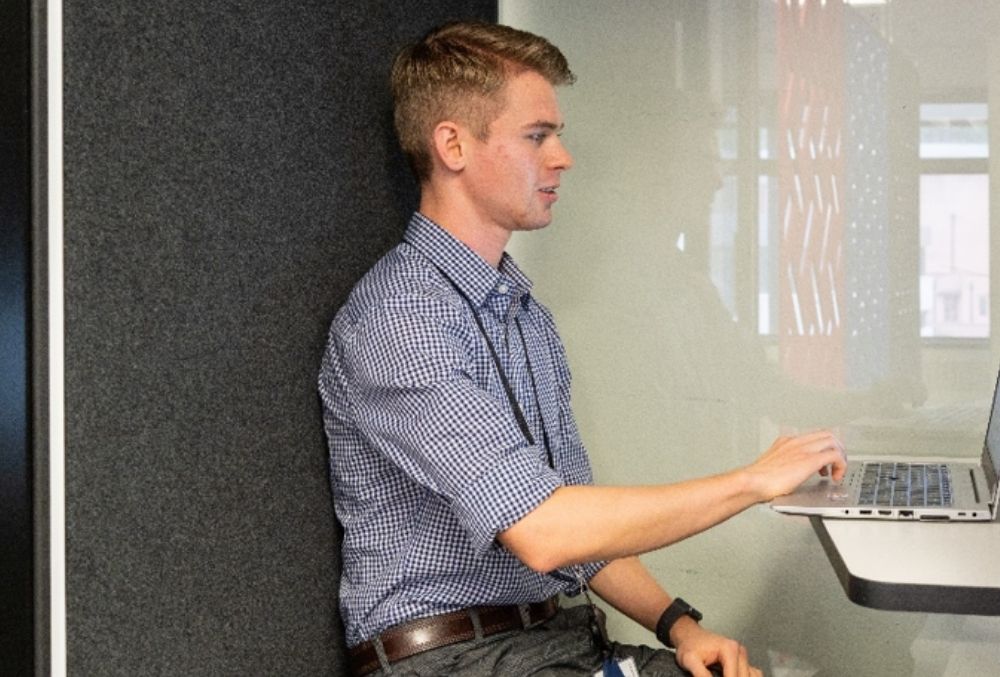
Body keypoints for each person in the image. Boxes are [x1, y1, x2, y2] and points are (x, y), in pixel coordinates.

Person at [318, 20, 846, 677]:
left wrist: (681, 625)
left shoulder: (525, 318)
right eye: (537, 136)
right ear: (452, 144)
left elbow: (581, 529)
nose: (562, 156)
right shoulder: (400, 320)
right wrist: (750, 481)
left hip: (550, 643)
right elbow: (546, 532)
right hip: (453, 661)